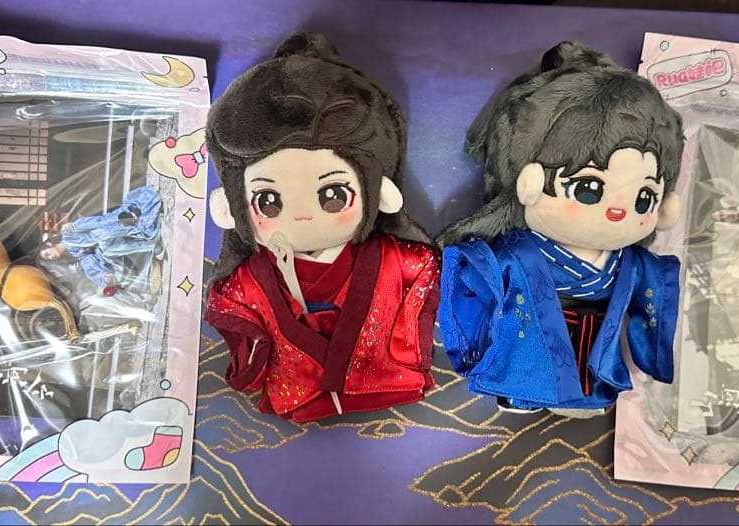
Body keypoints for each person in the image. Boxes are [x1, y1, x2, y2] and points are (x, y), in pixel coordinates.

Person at [437, 42, 685, 417]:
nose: (618, 211)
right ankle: (523, 392)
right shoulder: (520, 251)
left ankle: (586, 394)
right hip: (528, 351)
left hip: (593, 352)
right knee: (525, 368)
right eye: (588, 188)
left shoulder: (628, 262)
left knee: (588, 380)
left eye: (644, 198)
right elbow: (478, 277)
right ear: (530, 183)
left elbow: (651, 297)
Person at [203, 33, 439, 423]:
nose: (302, 217)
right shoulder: (254, 278)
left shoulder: (388, 259)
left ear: (377, 192)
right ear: (232, 207)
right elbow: (230, 304)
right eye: (268, 201)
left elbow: (425, 268)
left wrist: (406, 337)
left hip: (384, 383)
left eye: (332, 195)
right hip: (295, 395)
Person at [39, 185, 162, 294]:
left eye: (47, 253)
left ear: (50, 244)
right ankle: (112, 277)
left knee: (107, 246)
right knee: (100, 260)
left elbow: (93, 222)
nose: (51, 257)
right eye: (48, 258)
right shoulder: (73, 255)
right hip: (104, 250)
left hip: (106, 232)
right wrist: (101, 276)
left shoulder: (68, 232)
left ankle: (152, 246)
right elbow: (87, 259)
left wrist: (115, 220)